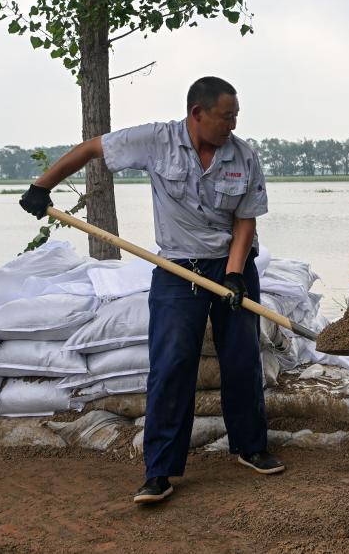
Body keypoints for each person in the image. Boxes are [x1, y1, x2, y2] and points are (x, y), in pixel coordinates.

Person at [18, 76, 283, 505]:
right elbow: (91, 149)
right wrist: (42, 185)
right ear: (198, 113)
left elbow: (245, 221)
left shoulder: (243, 155)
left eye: (235, 116)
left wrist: (234, 275)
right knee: (171, 363)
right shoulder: (156, 140)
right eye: (225, 116)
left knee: (241, 358)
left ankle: (251, 447)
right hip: (177, 268)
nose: (231, 125)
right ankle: (159, 470)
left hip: (231, 264)